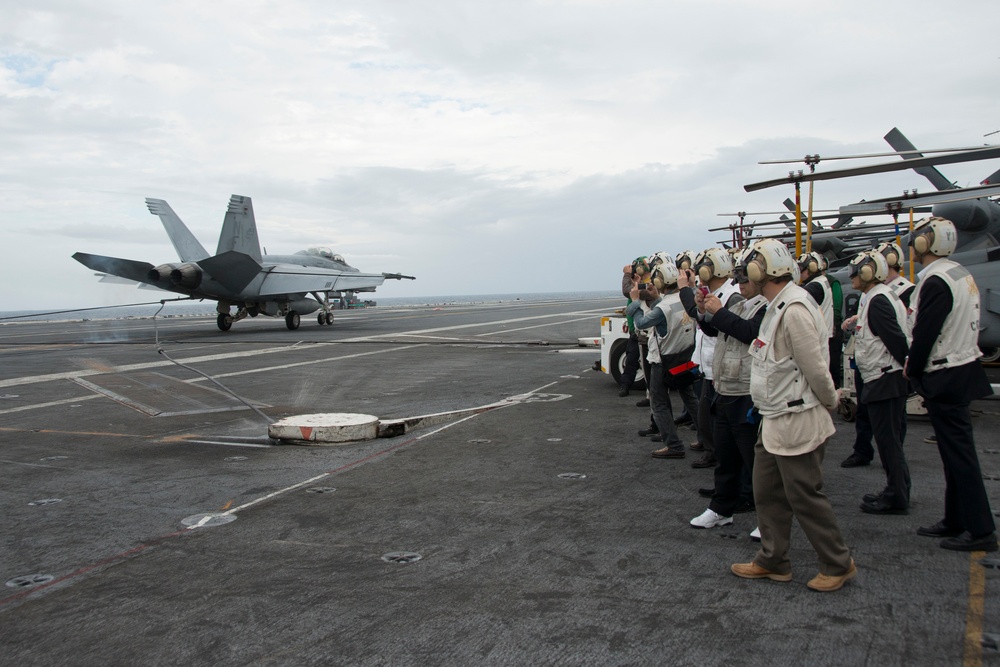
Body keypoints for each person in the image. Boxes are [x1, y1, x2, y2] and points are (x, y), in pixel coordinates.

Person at [730, 239, 856, 592]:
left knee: (804, 496)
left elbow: (816, 368)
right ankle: (773, 560)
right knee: (767, 493)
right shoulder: (775, 306)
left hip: (796, 418)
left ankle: (838, 563)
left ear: (763, 270)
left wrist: (829, 402)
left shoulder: (794, 309)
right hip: (773, 419)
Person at [905, 217, 996, 552]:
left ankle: (981, 530)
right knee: (953, 453)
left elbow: (925, 332)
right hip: (961, 369)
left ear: (925, 243)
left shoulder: (935, 281)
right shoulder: (958, 273)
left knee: (960, 456)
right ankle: (955, 518)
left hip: (944, 374)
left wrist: (913, 370)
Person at [685, 246, 767, 530]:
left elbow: (748, 333)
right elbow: (716, 330)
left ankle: (768, 518)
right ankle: (721, 508)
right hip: (727, 387)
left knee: (754, 460)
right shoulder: (742, 304)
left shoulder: (766, 307)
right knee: (726, 455)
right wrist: (702, 310)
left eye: (746, 277)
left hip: (746, 390)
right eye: (738, 277)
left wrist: (718, 311)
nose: (740, 282)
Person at [840, 239, 914, 468]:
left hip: (885, 371)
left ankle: (895, 473)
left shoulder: (896, 292)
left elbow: (895, 335)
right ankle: (865, 451)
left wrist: (908, 365)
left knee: (890, 428)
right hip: (870, 365)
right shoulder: (872, 293)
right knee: (867, 413)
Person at [626, 262, 701, 459]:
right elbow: (668, 313)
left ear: (660, 281)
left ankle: (673, 445)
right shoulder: (685, 299)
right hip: (684, 357)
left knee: (658, 404)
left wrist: (635, 302)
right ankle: (706, 439)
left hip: (664, 360)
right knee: (691, 399)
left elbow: (641, 323)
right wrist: (657, 298)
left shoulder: (663, 307)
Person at [682, 248, 743, 469]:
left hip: (724, 366)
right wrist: (701, 309)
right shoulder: (713, 294)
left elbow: (730, 330)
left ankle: (718, 457)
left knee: (718, 419)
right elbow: (707, 328)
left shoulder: (732, 296)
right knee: (707, 416)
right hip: (711, 364)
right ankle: (713, 453)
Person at [797, 251, 841, 386]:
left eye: (801, 269)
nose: (799, 273)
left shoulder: (815, 286)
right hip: (826, 336)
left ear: (811, 268)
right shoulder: (822, 281)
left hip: (821, 338)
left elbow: (796, 299)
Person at [618, 258, 650, 397]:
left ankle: (649, 394)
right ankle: (626, 385)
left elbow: (627, 291)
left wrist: (626, 275)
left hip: (643, 331)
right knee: (632, 359)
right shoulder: (643, 284)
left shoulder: (648, 286)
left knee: (638, 362)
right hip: (637, 330)